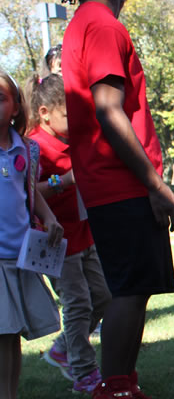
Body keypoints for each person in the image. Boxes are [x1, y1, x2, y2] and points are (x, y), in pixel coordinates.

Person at [62, 0, 174, 396]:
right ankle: (113, 389)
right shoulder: (101, 25)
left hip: (113, 182)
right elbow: (108, 109)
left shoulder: (89, 21)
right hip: (121, 183)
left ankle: (123, 385)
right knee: (130, 290)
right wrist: (154, 184)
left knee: (136, 288)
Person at [27, 74, 111, 393]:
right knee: (77, 303)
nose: (74, 121)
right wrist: (62, 181)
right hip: (55, 240)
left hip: (85, 231)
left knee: (102, 294)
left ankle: (63, 347)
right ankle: (84, 371)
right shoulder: (34, 146)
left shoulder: (74, 140)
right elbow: (26, 192)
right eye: (67, 114)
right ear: (45, 112)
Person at [0, 67, 64, 399]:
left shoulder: (25, 149)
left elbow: (30, 191)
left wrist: (49, 218)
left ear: (15, 107)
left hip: (18, 257)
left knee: (11, 337)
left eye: (0, 99)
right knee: (2, 335)